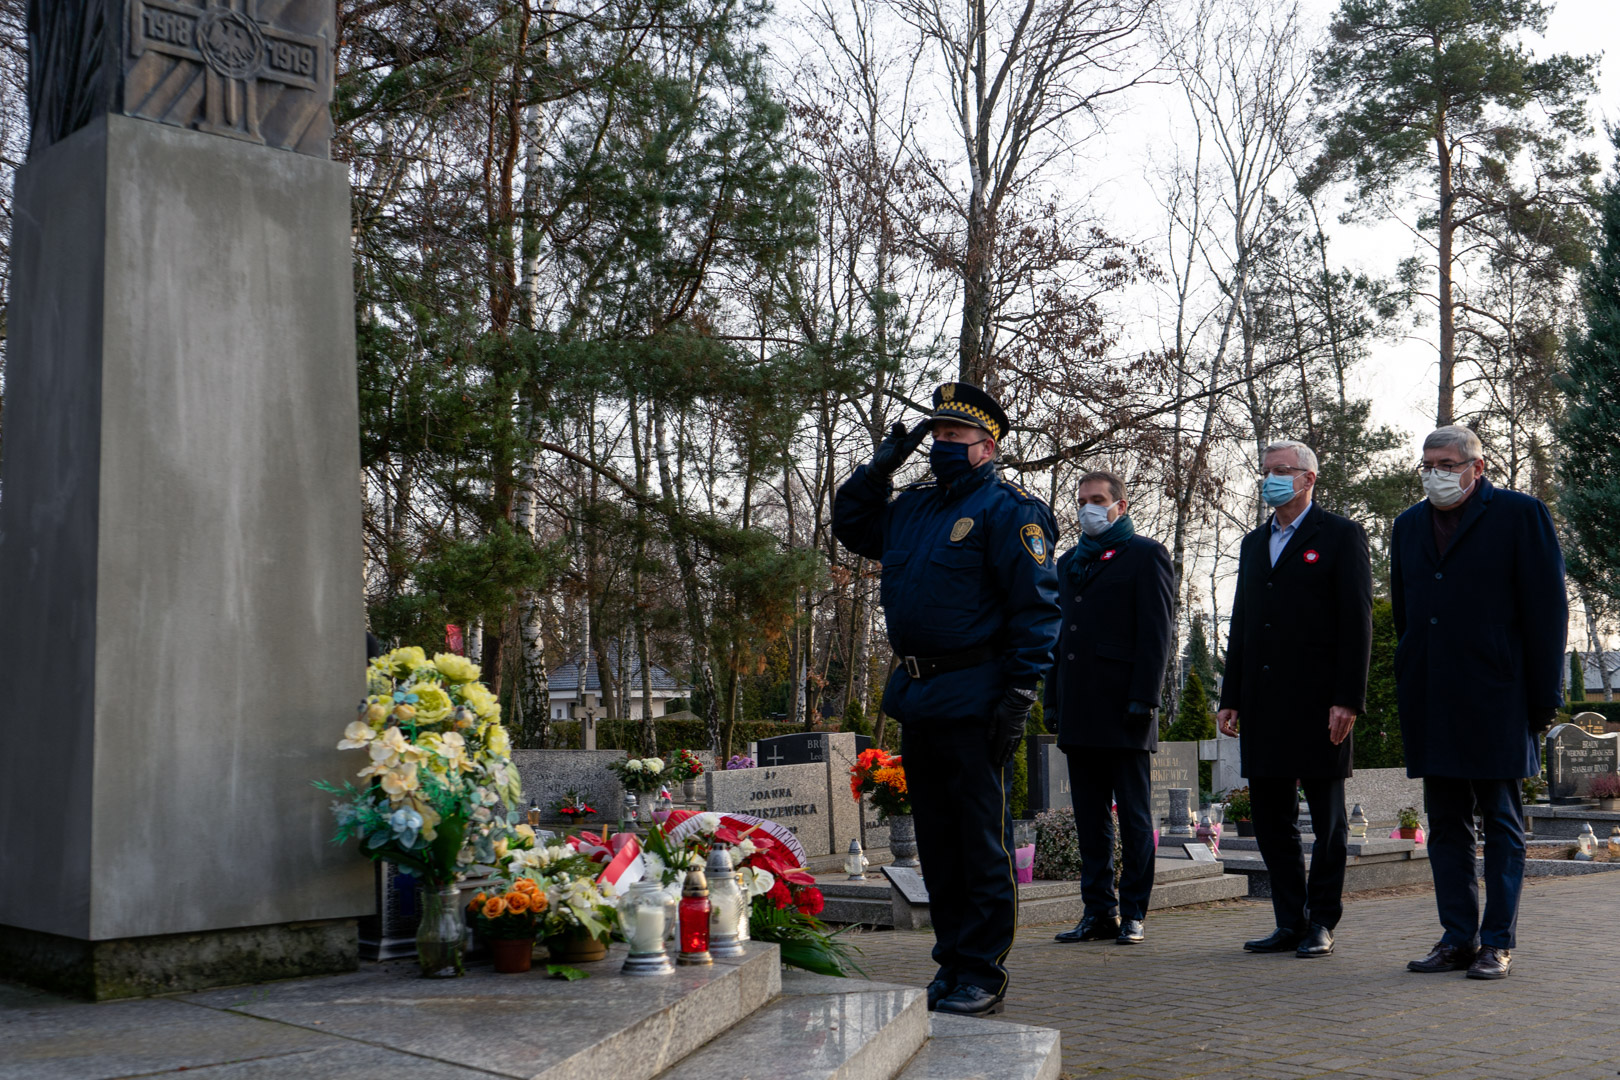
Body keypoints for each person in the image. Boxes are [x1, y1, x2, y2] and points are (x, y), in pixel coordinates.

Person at [832, 382, 1061, 1017]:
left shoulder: (1010, 510)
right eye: (934, 436)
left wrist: (1018, 694)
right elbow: (851, 523)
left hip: (978, 697)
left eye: (954, 438)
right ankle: (951, 962)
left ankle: (982, 971)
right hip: (920, 696)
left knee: (979, 843)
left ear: (987, 447)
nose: (939, 447)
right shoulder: (913, 508)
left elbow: (1036, 610)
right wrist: (881, 465)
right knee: (936, 843)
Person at [1392, 426, 1566, 980]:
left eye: (1446, 463)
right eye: (1427, 464)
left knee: (1501, 820)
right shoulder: (1409, 525)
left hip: (1498, 694)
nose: (1434, 474)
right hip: (1432, 695)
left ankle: (1497, 942)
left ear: (1477, 467)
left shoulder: (1520, 514)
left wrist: (1544, 699)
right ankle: (1457, 938)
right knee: (1444, 823)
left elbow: (1546, 612)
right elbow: (1406, 611)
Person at [1217, 440, 1372, 959]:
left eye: (1281, 471)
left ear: (1308, 478)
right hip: (1263, 702)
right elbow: (1242, 622)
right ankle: (1289, 919)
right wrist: (1231, 694)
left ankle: (1322, 921)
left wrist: (1348, 698)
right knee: (1270, 818)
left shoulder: (1341, 535)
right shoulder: (1252, 543)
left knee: (1328, 822)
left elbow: (1357, 622)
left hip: (1321, 705)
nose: (1270, 479)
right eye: (1266, 471)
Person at [1047, 470, 1174, 946]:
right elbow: (1061, 638)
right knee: (1089, 818)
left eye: (1097, 499)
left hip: (1126, 707)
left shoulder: (1146, 554)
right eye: (1082, 500)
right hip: (1080, 707)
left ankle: (1134, 911)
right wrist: (1054, 698)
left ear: (1120, 505)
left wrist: (1145, 697)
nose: (1088, 508)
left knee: (1134, 816)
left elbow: (1156, 633)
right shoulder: (1068, 562)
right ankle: (1098, 911)